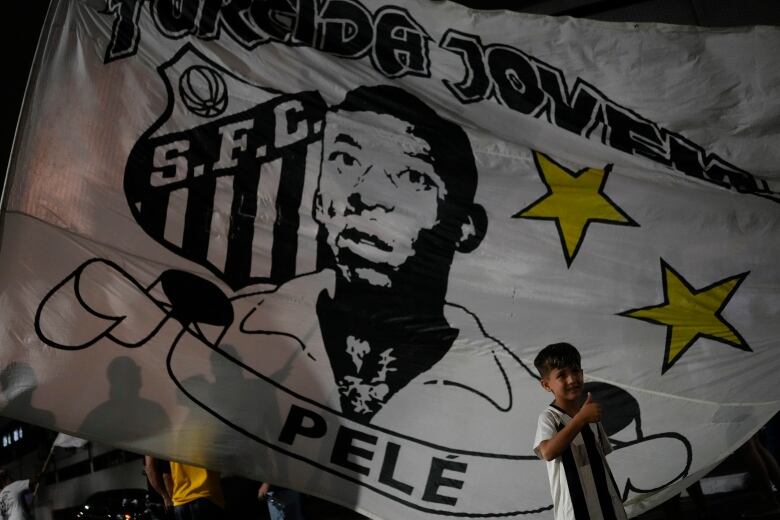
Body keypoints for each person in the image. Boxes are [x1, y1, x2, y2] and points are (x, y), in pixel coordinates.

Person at [533, 342, 627, 520]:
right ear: (546, 385)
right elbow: (547, 452)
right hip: (574, 511)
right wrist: (581, 419)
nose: (572, 379)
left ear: (582, 374)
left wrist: (584, 417)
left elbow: (600, 456)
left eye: (575, 371)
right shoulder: (550, 418)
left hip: (608, 507)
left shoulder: (588, 414)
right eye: (562, 375)